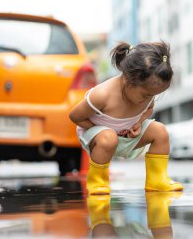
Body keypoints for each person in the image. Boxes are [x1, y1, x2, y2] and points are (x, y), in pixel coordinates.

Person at [69, 41, 184, 195]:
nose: (149, 99)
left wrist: (139, 122)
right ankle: (97, 182)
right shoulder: (103, 95)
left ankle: (157, 180)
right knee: (108, 137)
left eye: (154, 95)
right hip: (98, 139)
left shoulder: (147, 96)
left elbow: (148, 109)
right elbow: (75, 116)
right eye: (146, 94)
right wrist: (101, 131)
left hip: (127, 135)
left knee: (160, 131)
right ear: (128, 80)